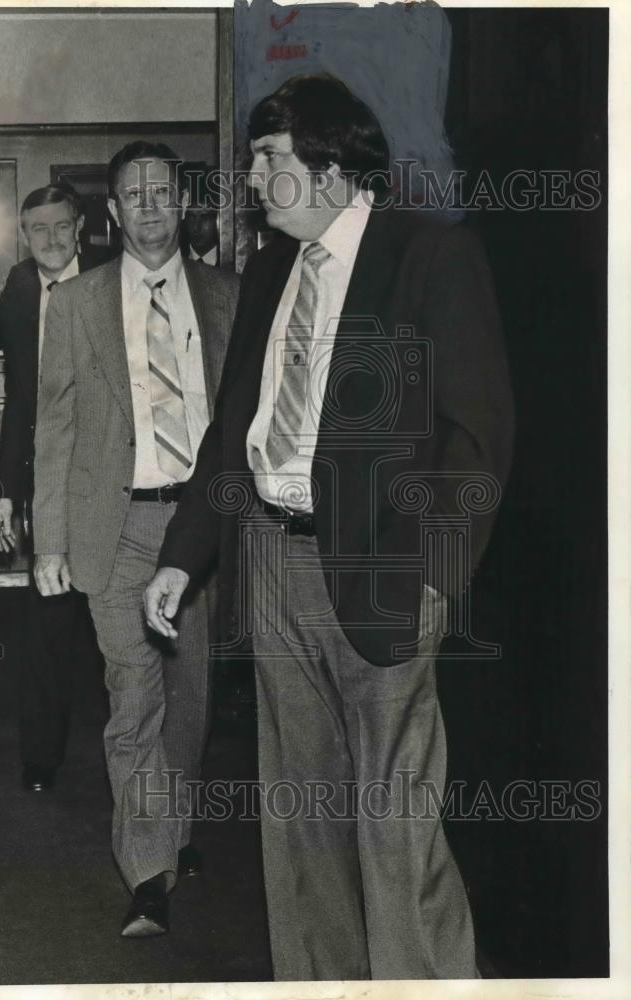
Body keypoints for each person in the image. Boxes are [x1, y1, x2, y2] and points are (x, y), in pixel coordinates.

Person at [145, 75, 514, 979]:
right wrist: (180, 559)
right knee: (299, 817)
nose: (253, 182)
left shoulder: (427, 255)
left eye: (267, 160)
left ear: (330, 160)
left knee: (394, 822)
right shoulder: (272, 268)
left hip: (383, 566)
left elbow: (479, 431)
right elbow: (233, 428)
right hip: (269, 560)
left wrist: (433, 575)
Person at [31, 142, 239, 937]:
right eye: (132, 193)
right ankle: (147, 870)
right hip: (112, 527)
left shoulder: (226, 296)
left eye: (162, 189)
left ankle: (175, 829)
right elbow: (55, 428)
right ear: (111, 213)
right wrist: (49, 541)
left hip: (202, 526)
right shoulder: (79, 304)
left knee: (190, 701)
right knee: (134, 697)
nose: (149, 203)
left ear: (182, 203)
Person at [0, 183, 110, 793]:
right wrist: (8, 490)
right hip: (46, 481)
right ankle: (42, 760)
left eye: (60, 227)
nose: (50, 240)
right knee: (47, 619)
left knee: (117, 626)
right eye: (37, 229)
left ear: (80, 226)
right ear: (24, 234)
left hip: (112, 478)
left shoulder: (115, 275)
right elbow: (19, 398)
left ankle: (135, 761)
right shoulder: (23, 284)